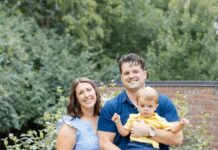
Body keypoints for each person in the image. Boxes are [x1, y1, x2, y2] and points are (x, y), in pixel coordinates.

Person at [98, 53, 183, 150]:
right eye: (126, 73)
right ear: (122, 77)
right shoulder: (111, 106)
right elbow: (104, 143)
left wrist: (149, 131)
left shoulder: (163, 102)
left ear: (144, 74)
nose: (131, 76)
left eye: (135, 71)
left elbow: (177, 139)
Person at [111, 86, 189, 150]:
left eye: (150, 106)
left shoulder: (159, 120)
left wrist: (181, 124)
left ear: (156, 107)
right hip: (134, 146)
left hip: (151, 147)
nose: (146, 109)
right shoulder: (133, 118)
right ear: (137, 105)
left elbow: (174, 130)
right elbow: (124, 133)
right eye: (142, 105)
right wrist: (118, 122)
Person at [56, 77, 101, 150]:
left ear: (95, 92)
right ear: (76, 99)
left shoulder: (104, 118)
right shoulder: (69, 127)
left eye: (88, 90)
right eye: (81, 93)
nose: (86, 95)